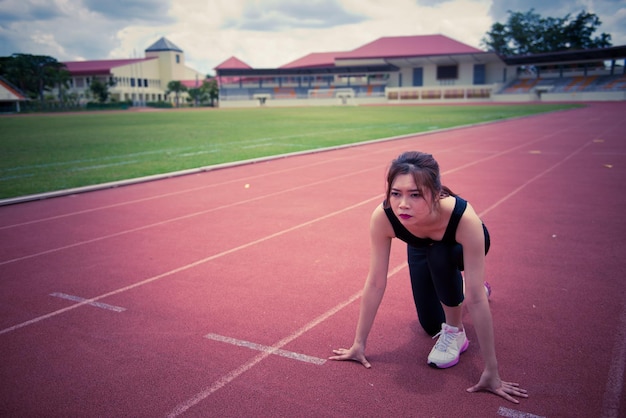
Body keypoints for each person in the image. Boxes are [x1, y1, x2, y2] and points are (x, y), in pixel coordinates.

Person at [330, 151, 527, 404]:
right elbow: (376, 281)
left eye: (415, 194)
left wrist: (492, 371)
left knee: (443, 259)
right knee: (431, 324)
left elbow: (475, 300)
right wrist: (359, 344)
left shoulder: (464, 219)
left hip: (457, 247)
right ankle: (460, 293)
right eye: (395, 193)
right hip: (422, 244)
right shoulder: (385, 216)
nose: (403, 204)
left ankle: (455, 331)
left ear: (436, 194)